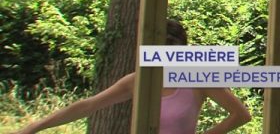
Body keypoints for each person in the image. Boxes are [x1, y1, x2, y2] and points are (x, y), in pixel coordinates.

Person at [13, 19, 251, 134]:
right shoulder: (136, 81)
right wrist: (35, 127)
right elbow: (88, 105)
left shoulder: (198, 79)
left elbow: (241, 115)